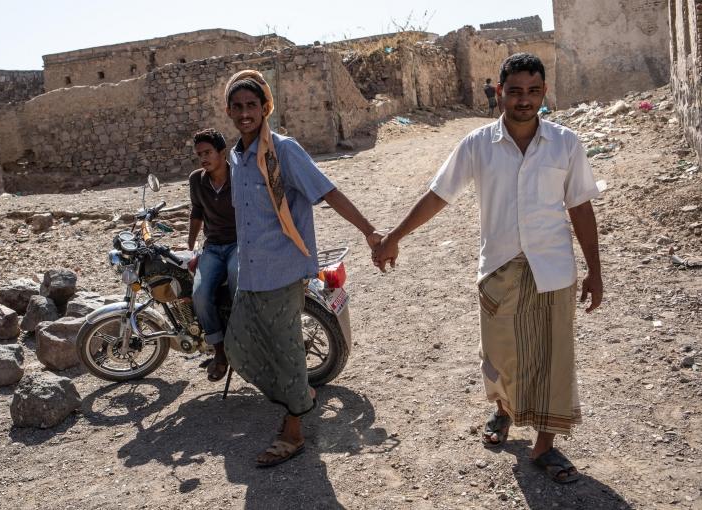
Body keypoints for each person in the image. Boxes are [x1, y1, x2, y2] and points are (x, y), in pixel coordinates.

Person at [373, 53, 603, 484]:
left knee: (554, 359)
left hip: (553, 269)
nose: (524, 100)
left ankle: (546, 445)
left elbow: (581, 206)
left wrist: (596, 269)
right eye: (514, 91)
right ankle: (502, 411)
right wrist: (395, 236)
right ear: (499, 92)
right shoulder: (477, 144)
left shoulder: (565, 143)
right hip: (498, 267)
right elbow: (439, 194)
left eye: (533, 91)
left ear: (544, 93)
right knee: (500, 354)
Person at [223, 69, 382, 467]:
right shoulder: (236, 156)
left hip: (283, 269)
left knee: (287, 352)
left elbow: (327, 190)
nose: (245, 113)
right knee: (236, 346)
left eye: (252, 105)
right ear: (229, 110)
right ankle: (299, 396)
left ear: (265, 108)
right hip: (251, 271)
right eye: (238, 106)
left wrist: (370, 231)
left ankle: (293, 431)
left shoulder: (283, 151)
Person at [188, 128, 237, 382]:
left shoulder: (239, 175)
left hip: (240, 243)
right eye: (199, 155)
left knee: (237, 278)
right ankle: (220, 351)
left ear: (221, 152)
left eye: (208, 152)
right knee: (200, 294)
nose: (203, 158)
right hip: (214, 246)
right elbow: (197, 212)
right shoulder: (197, 180)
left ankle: (244, 339)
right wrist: (190, 243)